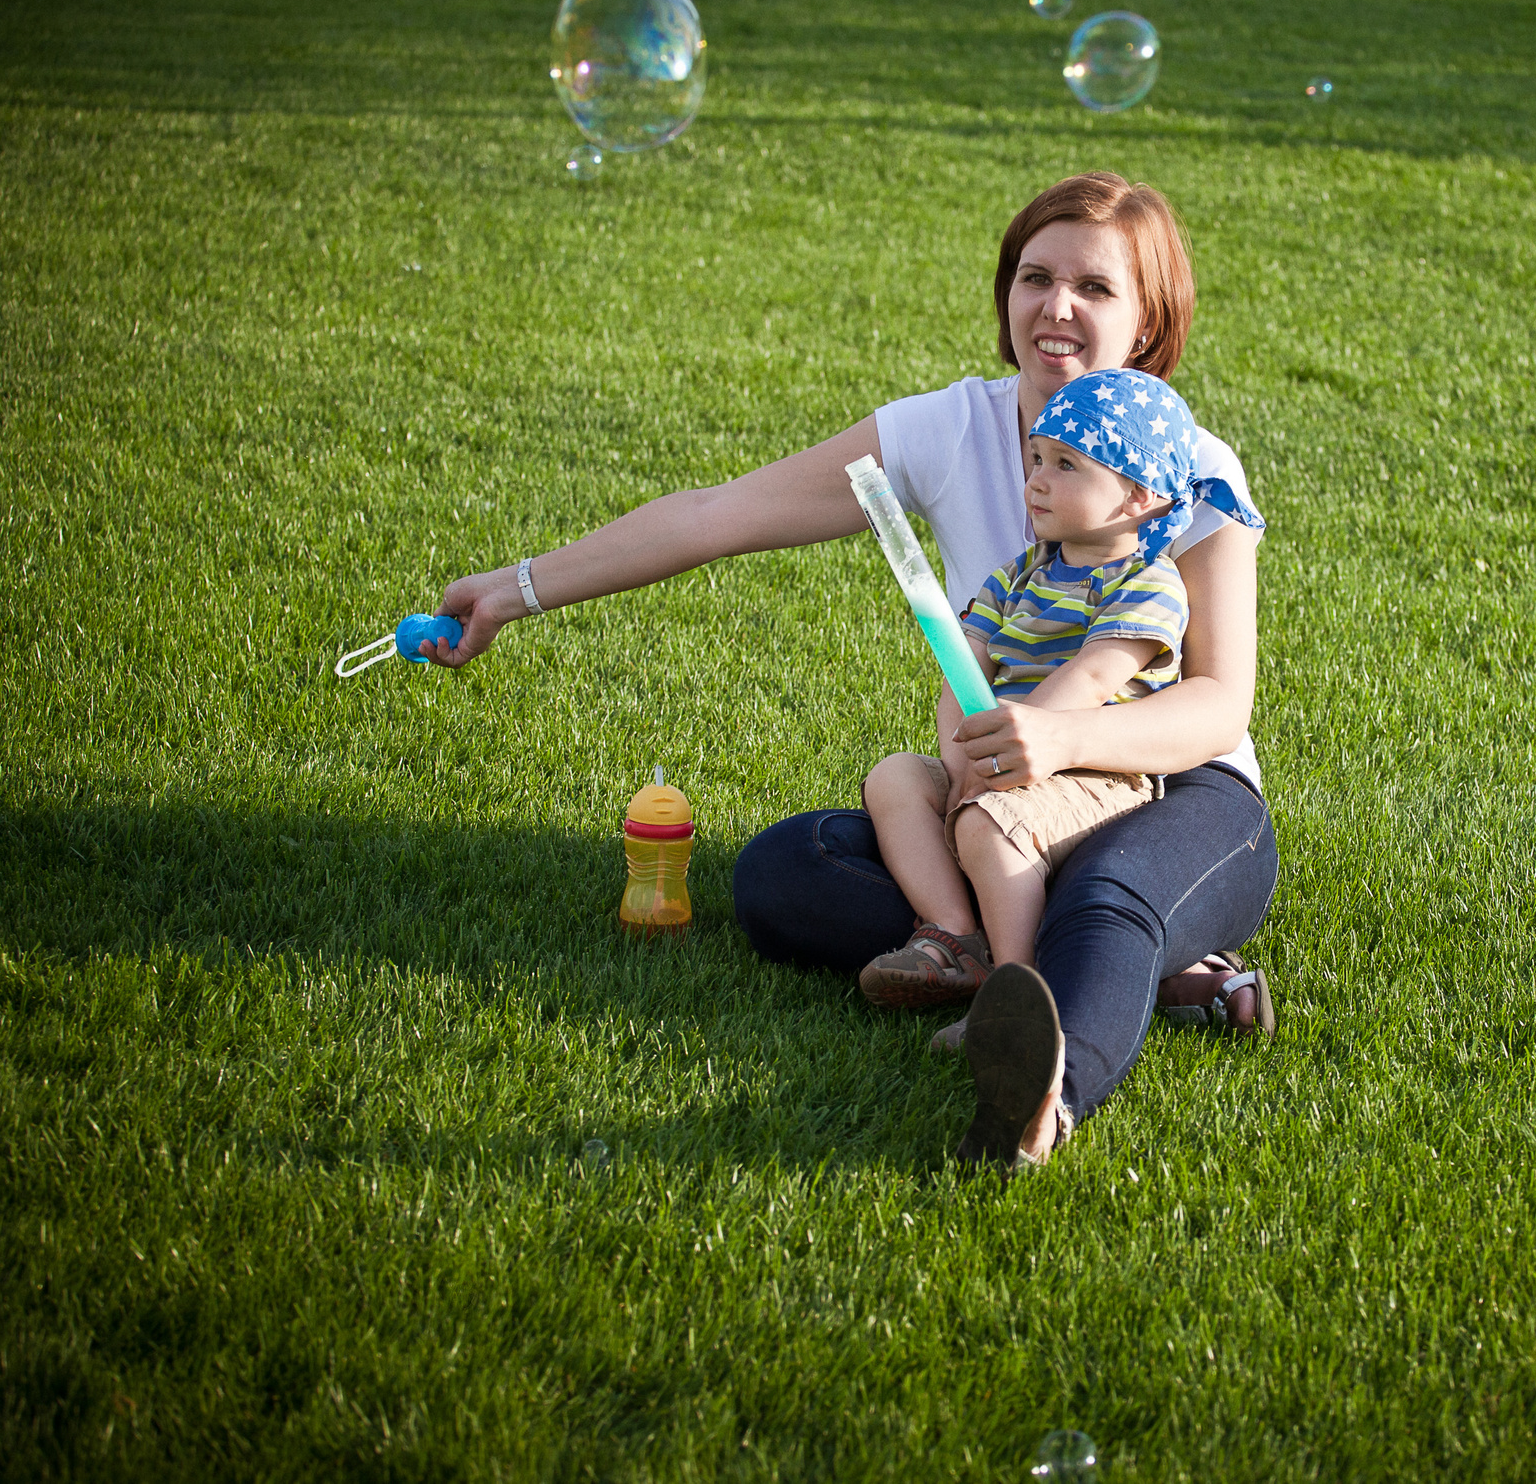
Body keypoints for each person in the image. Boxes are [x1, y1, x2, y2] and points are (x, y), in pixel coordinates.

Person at [424, 172, 1276, 1170]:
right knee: (788, 873)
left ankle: (1042, 1100)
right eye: (1033, 277)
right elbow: (717, 515)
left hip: (1173, 786)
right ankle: (1109, 961)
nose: (1055, 307)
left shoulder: (1186, 467)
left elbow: (1217, 703)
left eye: (1095, 288)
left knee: (1106, 898)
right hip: (994, 788)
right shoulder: (945, 430)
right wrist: (512, 589)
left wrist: (1065, 735)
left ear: (1146, 323)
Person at [858, 367, 1261, 1002]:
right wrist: (960, 751)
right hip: (1000, 758)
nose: (1036, 479)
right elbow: (965, 661)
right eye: (1036, 458)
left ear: (1137, 496)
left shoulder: (1148, 582)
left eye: (1066, 465)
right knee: (895, 779)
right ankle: (955, 935)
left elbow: (1097, 673)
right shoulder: (1019, 575)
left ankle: (1016, 991)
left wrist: (1021, 742)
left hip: (1094, 778)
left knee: (990, 825)